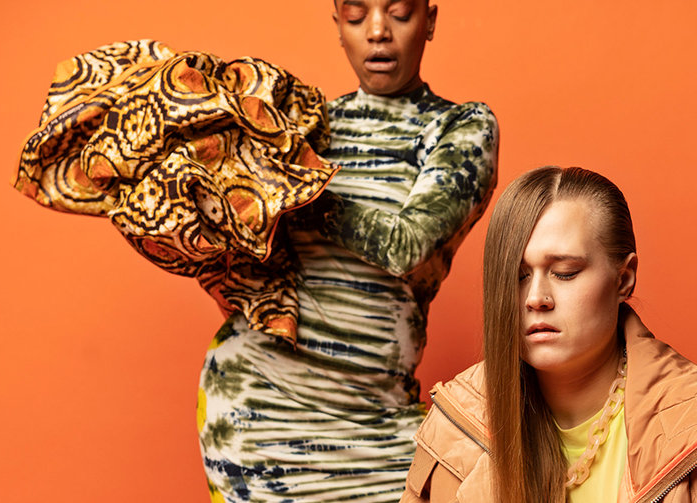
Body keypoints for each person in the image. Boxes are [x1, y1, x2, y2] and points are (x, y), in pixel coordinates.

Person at [196, 0, 499, 501]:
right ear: (337, 25)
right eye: (357, 14)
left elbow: (407, 244)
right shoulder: (303, 128)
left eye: (398, 12)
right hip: (260, 403)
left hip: (377, 411)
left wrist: (287, 193)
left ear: (429, 20)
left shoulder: (461, 126)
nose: (378, 31)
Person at [400, 167, 697, 503]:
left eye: (565, 272)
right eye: (517, 277)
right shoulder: (455, 424)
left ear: (624, 278)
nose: (536, 298)